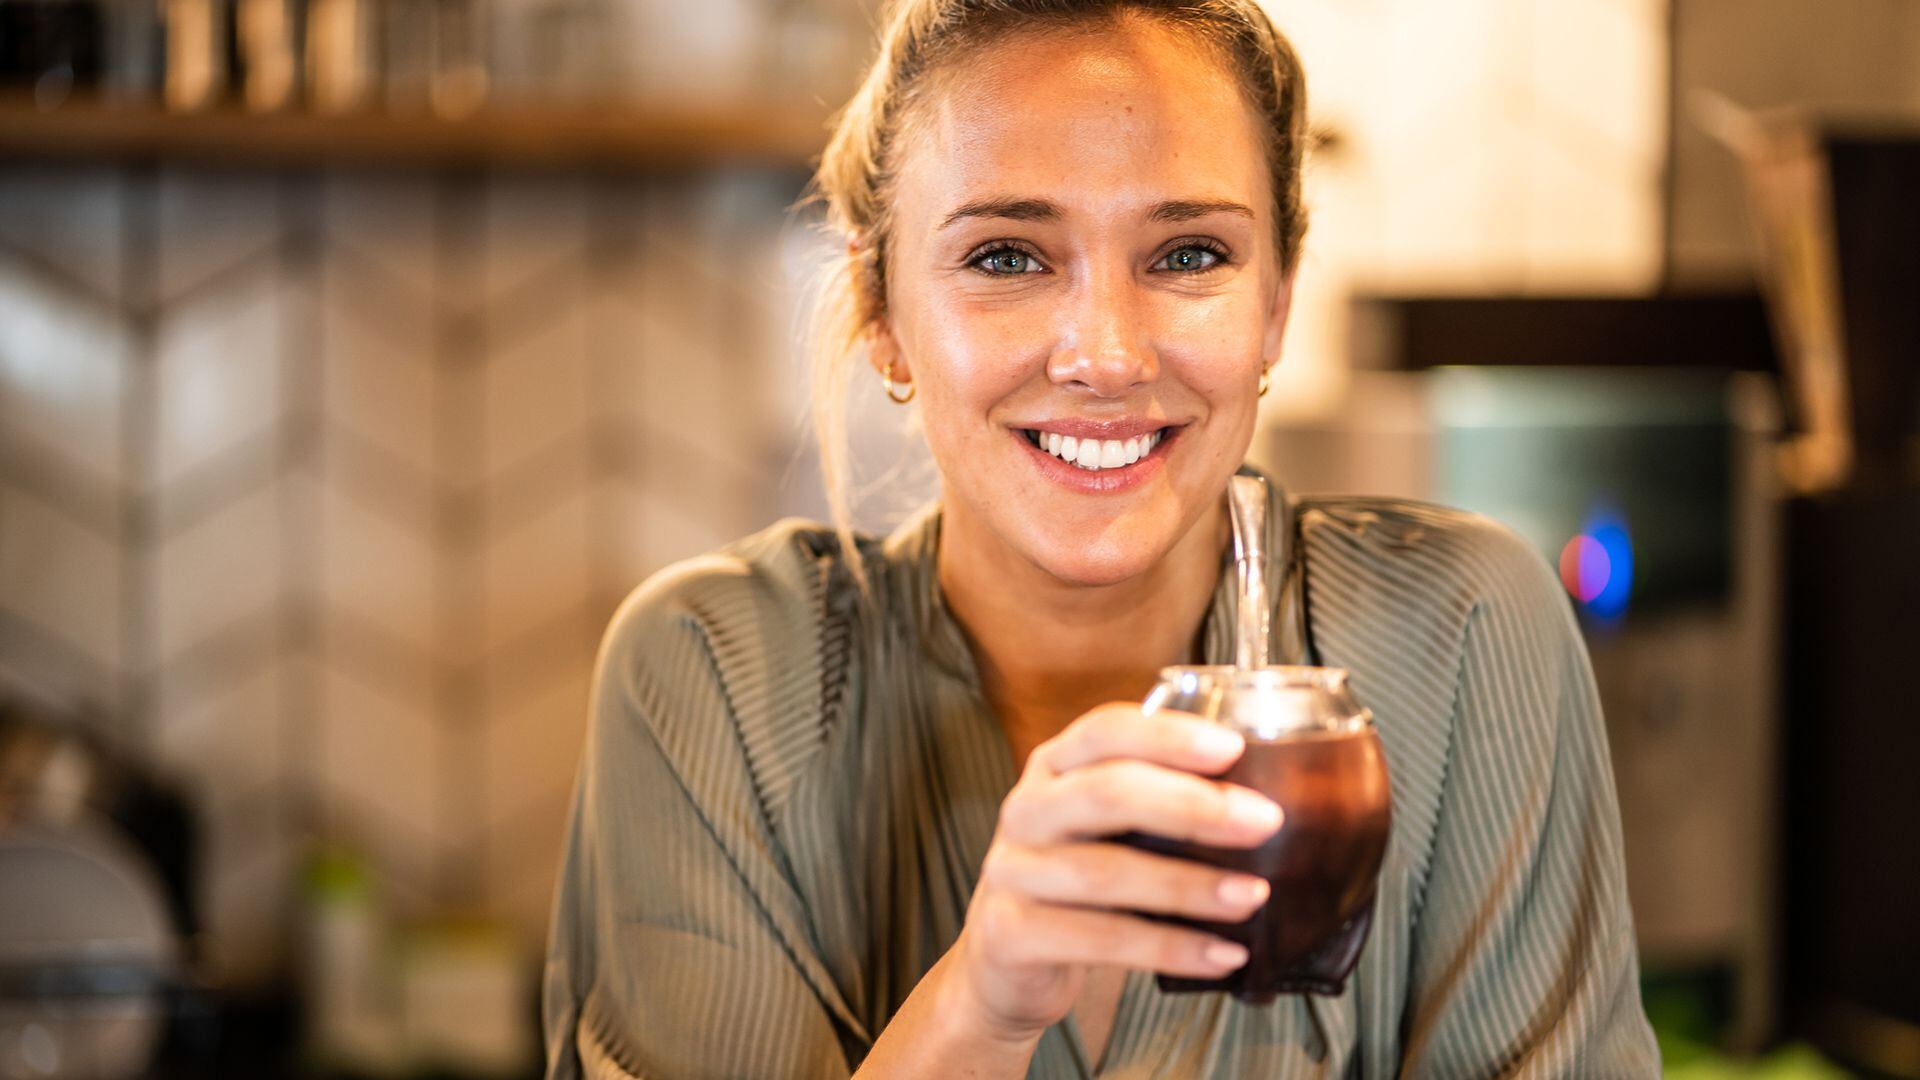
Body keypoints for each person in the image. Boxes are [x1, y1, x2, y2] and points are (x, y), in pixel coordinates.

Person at [543, 1, 1660, 1076]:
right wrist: (981, 1009)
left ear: (1276, 302)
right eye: (1006, 257)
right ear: (882, 312)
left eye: (1188, 256)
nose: (1107, 356)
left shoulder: (1464, 634)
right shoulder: (710, 678)